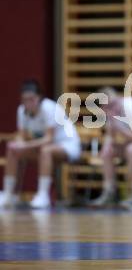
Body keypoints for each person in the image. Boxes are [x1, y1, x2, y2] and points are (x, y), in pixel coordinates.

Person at [0, 80, 81, 209]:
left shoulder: (49, 108)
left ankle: (43, 195)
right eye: (25, 100)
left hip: (67, 146)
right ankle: (8, 195)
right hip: (42, 147)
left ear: (39, 98)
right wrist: (18, 143)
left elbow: (48, 139)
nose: (28, 103)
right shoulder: (21, 110)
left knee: (46, 150)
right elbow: (22, 135)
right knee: (13, 150)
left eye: (31, 99)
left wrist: (25, 146)